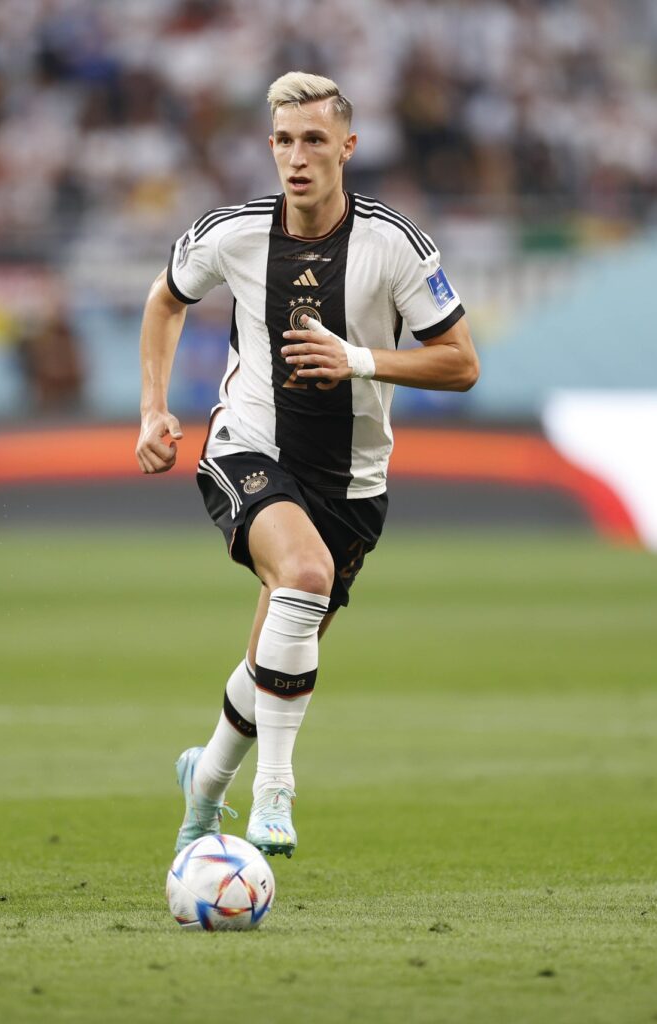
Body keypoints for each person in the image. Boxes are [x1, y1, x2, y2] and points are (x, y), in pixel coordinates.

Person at [136, 71, 479, 859]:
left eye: (315, 140)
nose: (298, 157)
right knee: (305, 574)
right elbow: (165, 299)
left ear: (347, 147)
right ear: (270, 147)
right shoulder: (234, 232)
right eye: (285, 141)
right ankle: (275, 792)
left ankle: (203, 787)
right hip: (248, 447)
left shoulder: (394, 245)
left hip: (352, 483)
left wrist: (357, 358)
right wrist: (154, 408)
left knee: (277, 649)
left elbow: (461, 363)